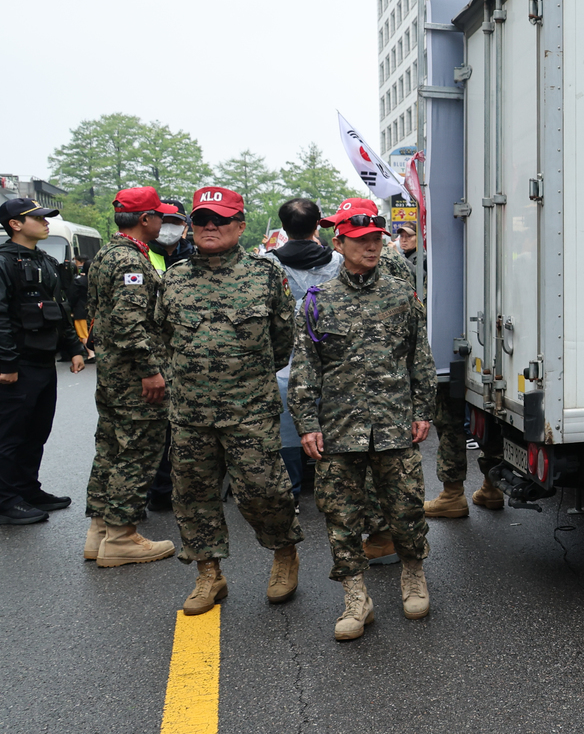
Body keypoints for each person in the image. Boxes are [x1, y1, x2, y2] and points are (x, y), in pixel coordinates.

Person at [290, 201, 436, 641]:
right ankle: (356, 596)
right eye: (361, 241)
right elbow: (305, 368)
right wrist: (306, 423)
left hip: (394, 423)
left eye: (377, 239)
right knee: (340, 517)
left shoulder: (400, 294)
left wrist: (423, 410)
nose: (372, 247)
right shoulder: (318, 302)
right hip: (337, 429)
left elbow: (420, 359)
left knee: (406, 507)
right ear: (340, 243)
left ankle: (413, 574)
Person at [159, 186, 303, 616]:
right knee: (193, 495)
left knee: (264, 490)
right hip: (190, 413)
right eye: (202, 219)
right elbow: (162, 336)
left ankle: (283, 555)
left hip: (249, 410)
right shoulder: (175, 277)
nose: (209, 226)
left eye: (220, 220)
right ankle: (209, 574)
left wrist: (245, 378)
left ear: (240, 225)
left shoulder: (265, 274)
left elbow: (283, 340)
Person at [82, 187, 178, 564]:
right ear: (145, 219)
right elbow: (129, 322)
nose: (163, 222)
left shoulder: (109, 253)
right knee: (138, 451)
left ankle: (101, 530)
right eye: (160, 216)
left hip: (112, 373)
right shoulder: (131, 262)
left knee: (109, 447)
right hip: (133, 377)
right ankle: (121, 536)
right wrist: (150, 371)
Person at [0, 198, 86, 525]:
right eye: (36, 217)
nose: (45, 221)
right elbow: (1, 318)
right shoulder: (4, 263)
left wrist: (74, 347)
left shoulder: (45, 260)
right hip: (17, 362)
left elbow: (59, 309)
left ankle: (26, 489)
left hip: (42, 360)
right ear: (15, 224)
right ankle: (6, 499)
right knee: (10, 434)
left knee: (37, 430)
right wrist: (6, 364)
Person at [264, 198, 343, 496]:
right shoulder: (338, 262)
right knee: (332, 422)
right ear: (317, 225)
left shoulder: (269, 264)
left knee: (286, 425)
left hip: (286, 361)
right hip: (330, 358)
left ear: (283, 227)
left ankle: (292, 491)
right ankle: (332, 490)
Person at [145, 198, 195, 512]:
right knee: (155, 431)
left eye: (175, 222)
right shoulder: (140, 256)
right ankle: (157, 491)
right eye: (163, 221)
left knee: (184, 431)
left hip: (189, 357)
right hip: (154, 358)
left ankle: (181, 489)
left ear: (185, 227)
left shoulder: (196, 257)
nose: (168, 228)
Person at [68, 256, 96, 362]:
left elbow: (72, 296)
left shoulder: (79, 281)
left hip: (80, 310)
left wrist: (70, 309)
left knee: (83, 333)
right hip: (94, 310)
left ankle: (91, 354)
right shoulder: (97, 280)